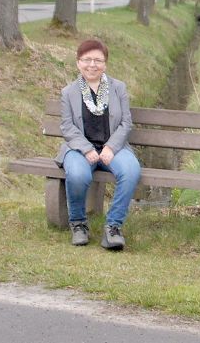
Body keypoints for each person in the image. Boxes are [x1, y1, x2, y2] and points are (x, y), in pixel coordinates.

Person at [56, 39, 141, 250]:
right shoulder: (69, 92)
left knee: (131, 171)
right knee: (77, 175)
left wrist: (111, 148)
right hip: (79, 149)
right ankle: (78, 224)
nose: (92, 65)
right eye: (87, 59)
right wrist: (86, 149)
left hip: (114, 148)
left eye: (98, 60)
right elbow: (67, 127)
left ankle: (113, 227)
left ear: (105, 64)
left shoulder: (118, 88)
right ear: (78, 62)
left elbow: (125, 122)